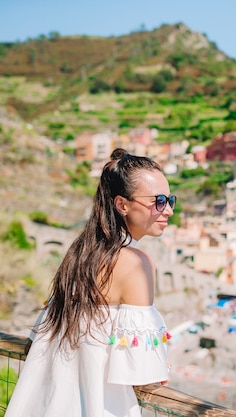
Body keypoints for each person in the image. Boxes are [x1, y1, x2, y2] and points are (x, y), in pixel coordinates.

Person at [6, 149, 175, 417]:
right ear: (122, 204)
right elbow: (142, 370)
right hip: (97, 402)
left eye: (170, 200)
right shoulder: (135, 263)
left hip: (47, 400)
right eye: (158, 201)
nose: (167, 210)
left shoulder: (80, 254)